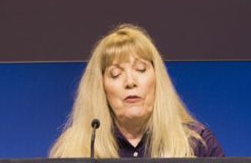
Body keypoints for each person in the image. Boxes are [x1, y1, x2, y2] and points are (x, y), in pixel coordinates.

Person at [49, 24, 224, 158]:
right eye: (116, 74)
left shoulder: (198, 145)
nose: (130, 82)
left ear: (157, 79)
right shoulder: (73, 151)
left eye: (140, 69)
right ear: (101, 88)